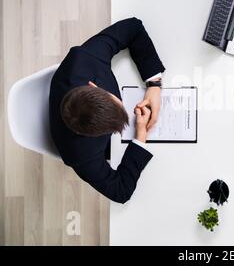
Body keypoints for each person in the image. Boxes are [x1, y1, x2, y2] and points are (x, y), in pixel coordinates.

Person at [49, 17, 165, 203]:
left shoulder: (83, 59)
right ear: (91, 135)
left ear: (94, 86)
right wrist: (140, 136)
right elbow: (121, 192)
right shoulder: (81, 155)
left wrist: (154, 84)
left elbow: (133, 27)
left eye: (116, 101)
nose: (123, 103)